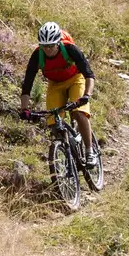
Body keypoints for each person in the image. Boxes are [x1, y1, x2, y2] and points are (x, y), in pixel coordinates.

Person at [19, 21, 99, 169]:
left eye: (51, 46)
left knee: (79, 113)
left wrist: (86, 95)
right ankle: (65, 153)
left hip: (76, 79)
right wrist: (24, 109)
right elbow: (27, 84)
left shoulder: (70, 49)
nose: (48, 49)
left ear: (58, 42)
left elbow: (89, 74)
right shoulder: (37, 55)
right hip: (55, 84)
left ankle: (89, 150)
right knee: (54, 123)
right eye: (44, 46)